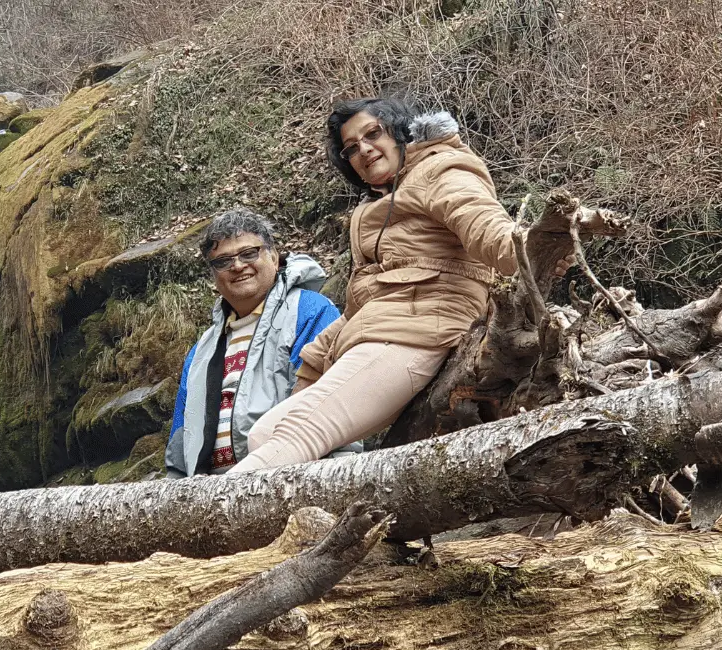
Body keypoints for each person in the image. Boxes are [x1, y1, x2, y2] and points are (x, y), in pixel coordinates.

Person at [228, 97, 573, 473]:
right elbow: (360, 308)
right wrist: (311, 373)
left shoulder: (440, 168)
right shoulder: (374, 207)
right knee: (264, 433)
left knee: (297, 433)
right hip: (380, 333)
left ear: (400, 131)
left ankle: (208, 520)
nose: (363, 150)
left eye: (372, 133)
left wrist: (535, 245)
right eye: (351, 149)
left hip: (420, 328)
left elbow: (483, 226)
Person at [165, 208, 346, 477]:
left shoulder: (309, 311)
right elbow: (181, 435)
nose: (237, 266)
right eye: (223, 261)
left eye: (249, 253)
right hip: (207, 494)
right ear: (213, 275)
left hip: (291, 475)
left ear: (274, 257)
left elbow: (329, 402)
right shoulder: (201, 350)